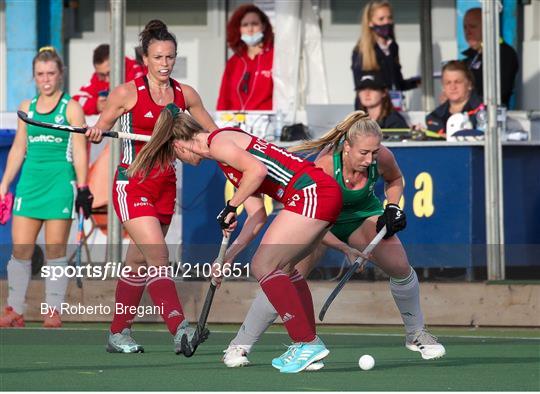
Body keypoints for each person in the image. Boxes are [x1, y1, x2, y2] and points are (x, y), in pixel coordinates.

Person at [126, 105, 346, 374]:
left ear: (179, 143)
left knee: (263, 266)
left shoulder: (217, 141)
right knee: (286, 270)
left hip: (310, 192)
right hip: (319, 194)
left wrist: (231, 206)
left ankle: (305, 342)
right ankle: (307, 347)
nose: (178, 159)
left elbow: (257, 172)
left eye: (173, 152)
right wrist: (228, 258)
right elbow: (257, 217)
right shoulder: (225, 160)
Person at [221, 111, 446, 369]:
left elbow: (394, 179)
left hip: (360, 216)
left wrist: (392, 206)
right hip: (318, 218)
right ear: (347, 147)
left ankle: (415, 333)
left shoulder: (381, 156)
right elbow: (316, 214)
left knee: (399, 265)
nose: (370, 159)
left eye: (374, 152)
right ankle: (241, 345)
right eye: (363, 153)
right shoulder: (326, 164)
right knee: (282, 272)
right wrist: (344, 248)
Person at [85, 20, 218, 354]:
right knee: (159, 255)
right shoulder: (127, 93)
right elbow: (101, 126)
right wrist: (97, 130)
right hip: (132, 184)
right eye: (158, 57)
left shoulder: (185, 94)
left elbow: (213, 133)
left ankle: (118, 333)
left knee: (137, 264)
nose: (165, 63)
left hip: (165, 186)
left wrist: (236, 149)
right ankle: (180, 329)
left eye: (170, 57)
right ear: (145, 59)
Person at [0, 47, 92, 328]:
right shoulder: (26, 108)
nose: (46, 79)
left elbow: (79, 150)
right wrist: (4, 186)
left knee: (54, 250)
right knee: (21, 250)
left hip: (59, 185)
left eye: (51, 73)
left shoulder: (71, 108)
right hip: (30, 185)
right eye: (40, 74)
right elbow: (18, 149)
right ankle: (15, 309)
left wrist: (83, 186)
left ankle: (53, 310)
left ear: (60, 74)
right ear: (34, 77)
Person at [351, 0, 420, 110]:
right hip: (371, 112)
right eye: (381, 19)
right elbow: (363, 88)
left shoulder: (392, 47)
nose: (386, 22)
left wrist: (416, 82)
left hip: (393, 108)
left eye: (389, 18)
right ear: (370, 22)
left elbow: (397, 83)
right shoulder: (362, 51)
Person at [216, 4, 274, 111]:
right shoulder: (234, 61)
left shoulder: (274, 57)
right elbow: (224, 99)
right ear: (239, 29)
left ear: (264, 26)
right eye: (245, 25)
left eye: (255, 24)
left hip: (266, 122)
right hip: (235, 123)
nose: (250, 29)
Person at [462, 7, 519, 108]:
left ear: (487, 26)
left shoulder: (504, 53)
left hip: (491, 117)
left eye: (472, 26)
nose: (468, 32)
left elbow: (501, 91)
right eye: (465, 27)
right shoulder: (469, 58)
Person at [73, 44, 145, 115]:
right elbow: (74, 102)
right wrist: (96, 105)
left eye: (110, 73)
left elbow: (142, 98)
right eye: (102, 74)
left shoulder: (137, 69)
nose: (107, 79)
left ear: (119, 63)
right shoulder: (98, 77)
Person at [424, 60, 483, 137]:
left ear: (469, 84)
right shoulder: (434, 117)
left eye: (457, 82)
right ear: (443, 86)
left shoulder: (484, 111)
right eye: (448, 82)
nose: (453, 87)